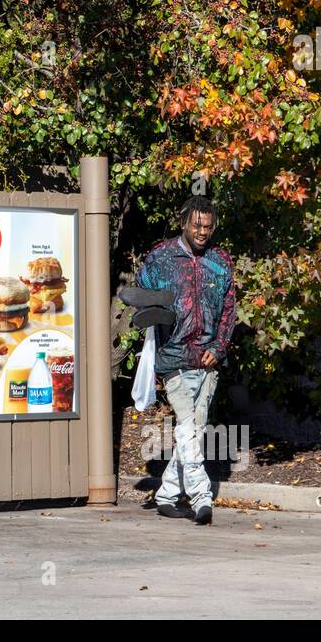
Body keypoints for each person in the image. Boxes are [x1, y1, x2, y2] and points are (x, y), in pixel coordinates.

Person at [135, 195, 237, 525]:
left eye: (207, 226)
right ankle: (201, 496)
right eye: (196, 225)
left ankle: (166, 495)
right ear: (184, 222)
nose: (202, 231)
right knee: (188, 426)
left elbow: (228, 311)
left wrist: (220, 347)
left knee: (190, 431)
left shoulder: (221, 262)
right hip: (174, 356)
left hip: (207, 359)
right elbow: (142, 298)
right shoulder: (160, 258)